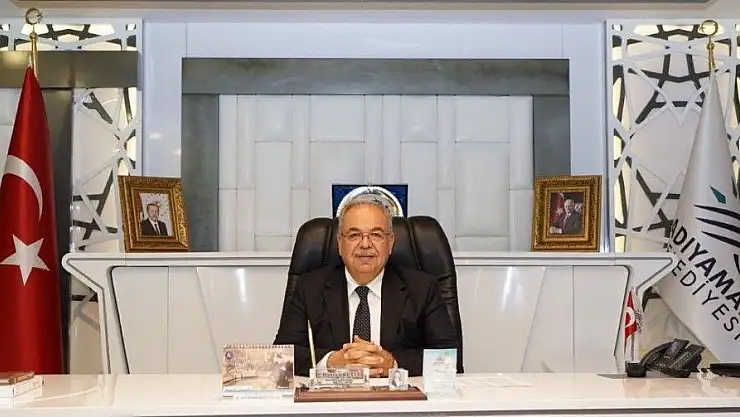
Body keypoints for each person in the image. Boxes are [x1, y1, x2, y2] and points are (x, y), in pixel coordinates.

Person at [273, 194, 457, 377]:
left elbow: (447, 358)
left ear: (390, 242)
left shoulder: (423, 288)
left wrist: (393, 364)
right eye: (354, 235)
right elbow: (281, 357)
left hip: (396, 394)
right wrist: (330, 362)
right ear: (340, 243)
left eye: (376, 235)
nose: (365, 244)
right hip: (333, 394)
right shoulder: (309, 287)